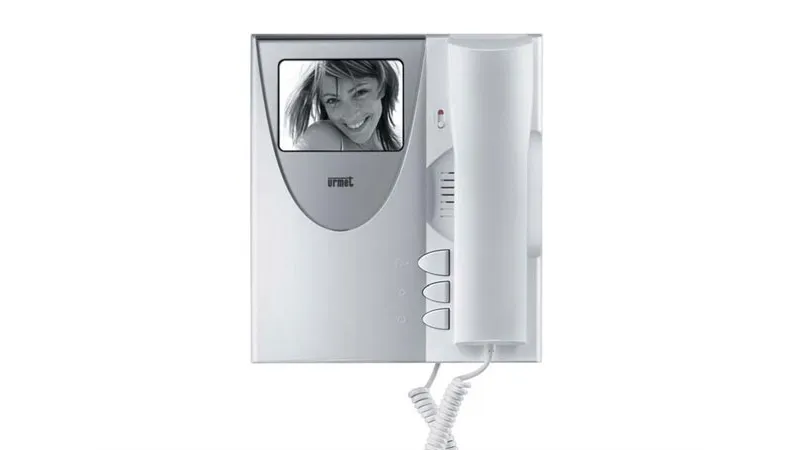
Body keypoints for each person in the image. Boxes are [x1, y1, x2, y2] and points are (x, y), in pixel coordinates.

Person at [284, 60, 401, 151]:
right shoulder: (321, 138)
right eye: (332, 100)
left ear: (382, 87)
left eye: (360, 93)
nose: (350, 115)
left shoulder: (400, 145)